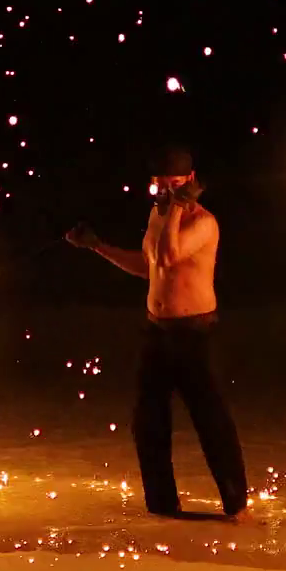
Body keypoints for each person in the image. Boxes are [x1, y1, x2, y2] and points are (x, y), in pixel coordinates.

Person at [66, 147, 250, 518]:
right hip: (156, 332)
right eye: (162, 186)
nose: (168, 192)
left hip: (195, 335)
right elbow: (150, 267)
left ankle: (236, 506)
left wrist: (178, 206)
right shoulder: (158, 216)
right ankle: (163, 507)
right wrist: (98, 247)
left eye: (177, 185)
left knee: (211, 422)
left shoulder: (204, 223)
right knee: (147, 422)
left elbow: (168, 256)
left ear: (191, 181)